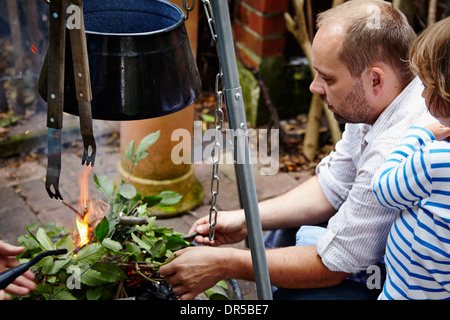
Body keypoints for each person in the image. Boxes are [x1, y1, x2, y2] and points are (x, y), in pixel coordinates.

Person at [159, 0, 436, 300]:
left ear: (375, 79)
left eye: (328, 78)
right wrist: (245, 218)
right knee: (277, 232)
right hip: (374, 251)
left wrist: (225, 264)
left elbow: (331, 266)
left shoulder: (395, 147)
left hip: (409, 284)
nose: (314, 87)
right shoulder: (379, 98)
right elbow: (333, 185)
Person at [372, 17, 450, 300]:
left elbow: (383, 189)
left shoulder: (435, 159)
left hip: (406, 290)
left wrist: (417, 135)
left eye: (428, 86)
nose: (421, 92)